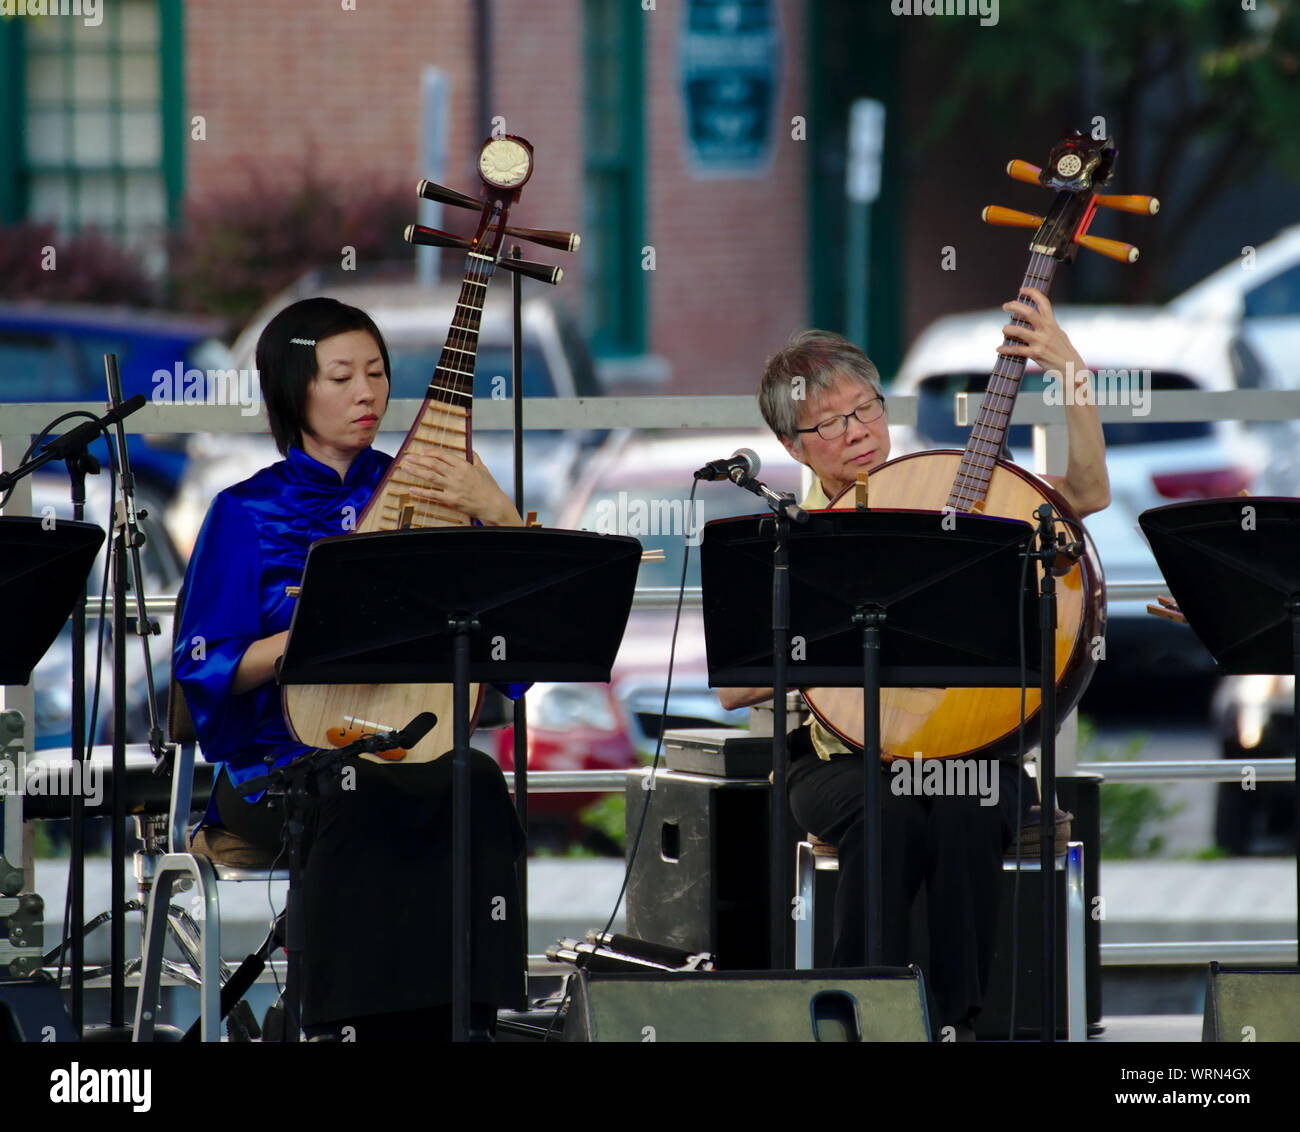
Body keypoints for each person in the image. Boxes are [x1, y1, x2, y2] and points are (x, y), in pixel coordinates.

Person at [719, 290, 1110, 1038]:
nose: (857, 432)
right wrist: (843, 629)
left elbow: (1088, 494)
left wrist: (1072, 375)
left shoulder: (952, 496)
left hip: (969, 745)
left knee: (965, 806)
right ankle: (865, 1017)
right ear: (795, 447)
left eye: (865, 409)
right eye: (828, 424)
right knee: (888, 810)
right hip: (837, 760)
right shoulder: (789, 535)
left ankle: (959, 1022)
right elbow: (737, 684)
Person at [173, 296, 527, 1041]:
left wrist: (494, 509)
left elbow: (511, 648)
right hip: (278, 762)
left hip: (411, 741)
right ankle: (339, 1025)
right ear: (292, 391)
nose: (367, 392)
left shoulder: (426, 490)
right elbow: (207, 666)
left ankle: (471, 1017)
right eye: (341, 376)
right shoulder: (245, 513)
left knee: (478, 781)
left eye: (376, 372)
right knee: (356, 786)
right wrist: (317, 631)